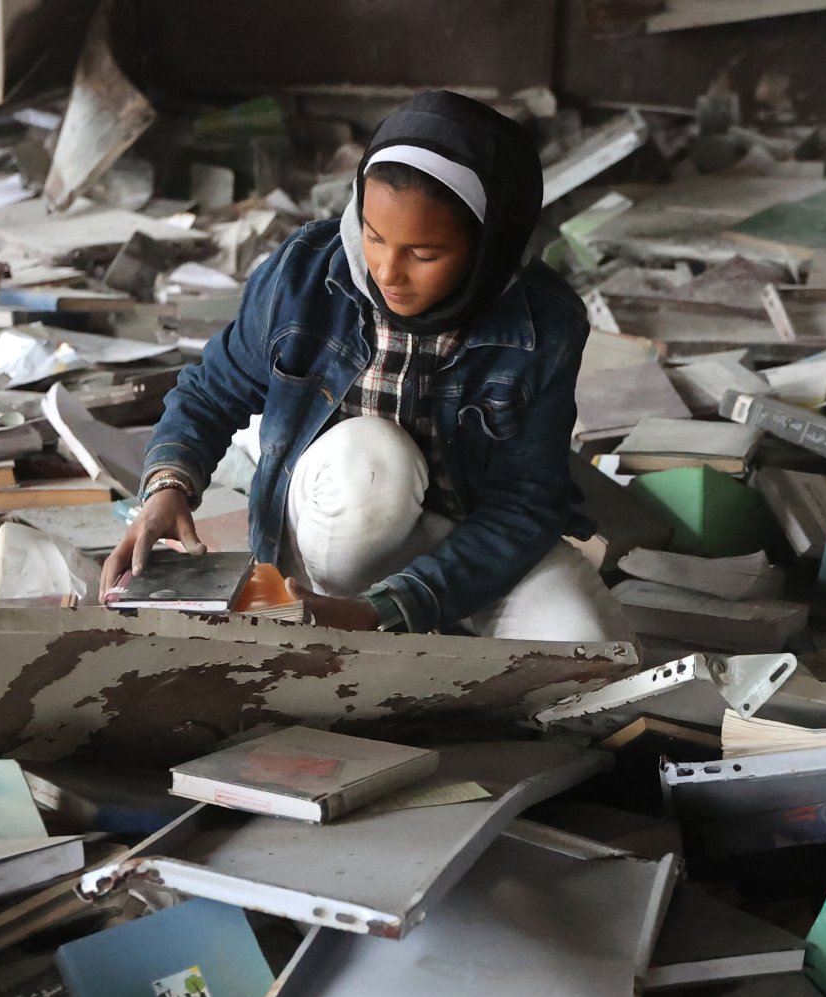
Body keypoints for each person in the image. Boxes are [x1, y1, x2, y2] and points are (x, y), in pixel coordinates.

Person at [101, 90, 632, 642]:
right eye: (373, 236)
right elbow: (211, 392)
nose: (387, 270)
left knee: (586, 647)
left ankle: (391, 622)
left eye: (424, 254)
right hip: (339, 523)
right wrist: (167, 486)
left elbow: (523, 505)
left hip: (467, 543)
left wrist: (389, 606)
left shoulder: (543, 325)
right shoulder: (306, 274)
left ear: (489, 245)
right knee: (375, 463)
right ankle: (329, 616)